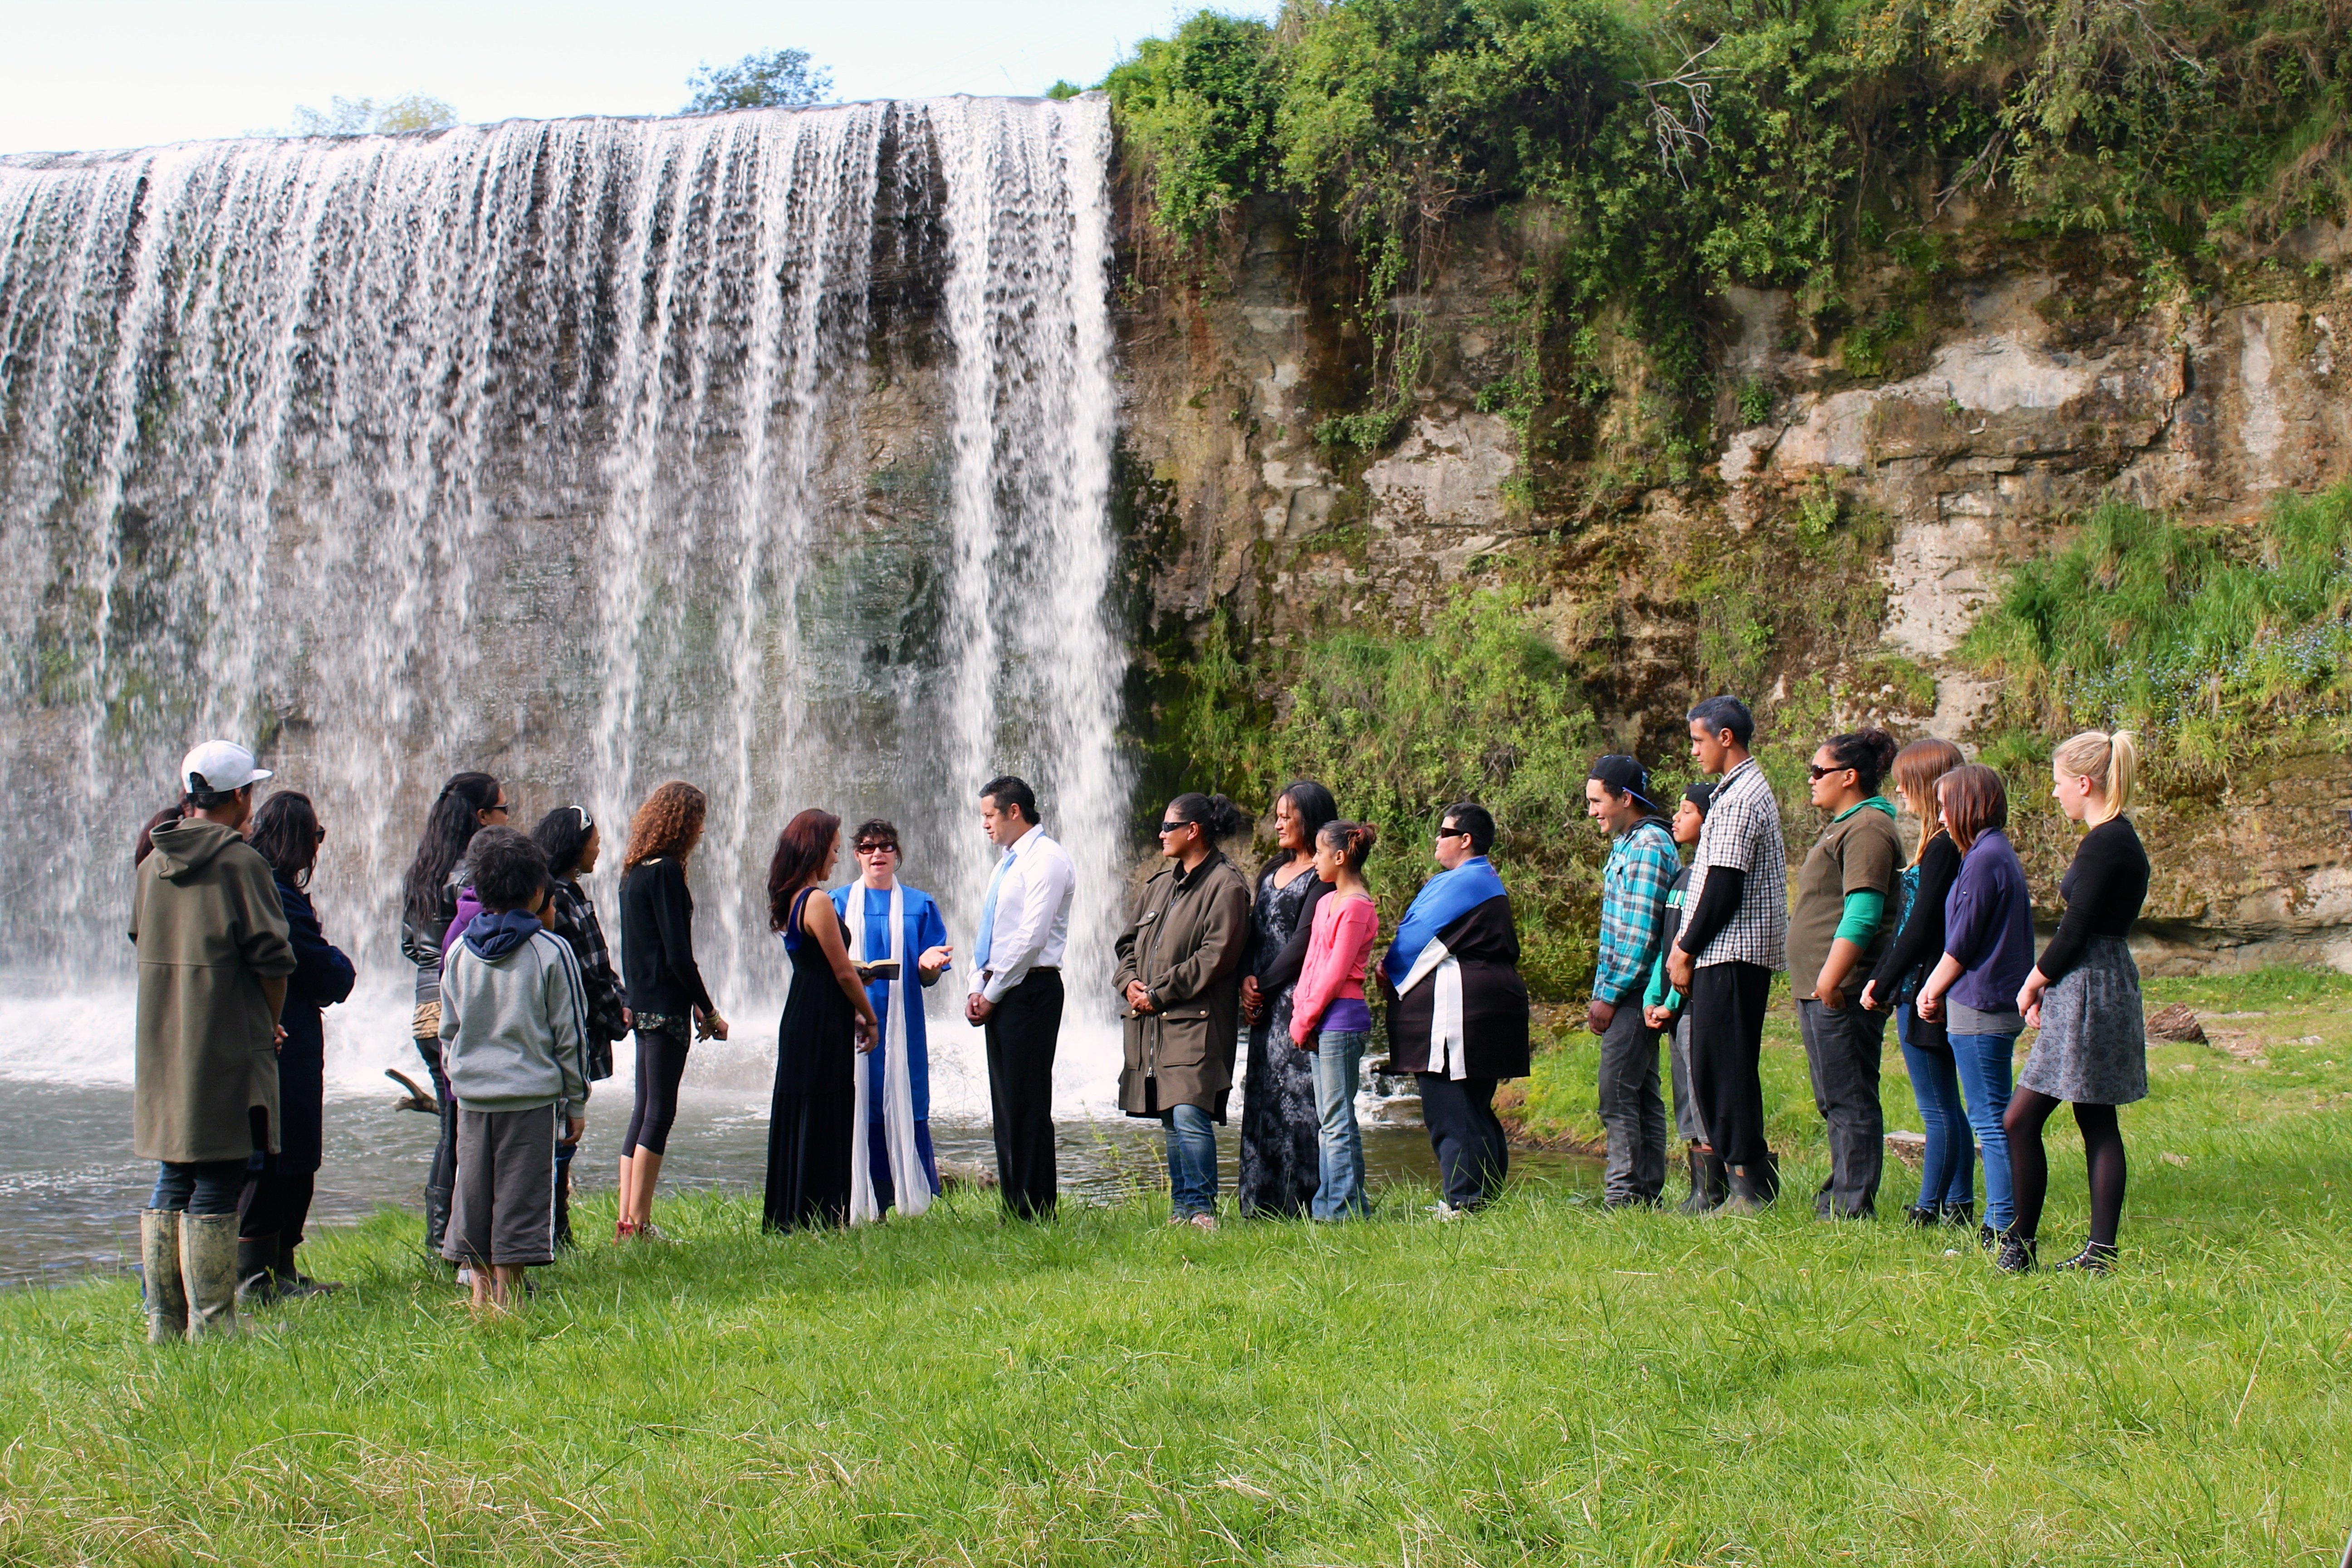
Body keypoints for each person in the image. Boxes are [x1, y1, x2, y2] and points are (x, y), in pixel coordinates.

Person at [132, 741, 296, 1343]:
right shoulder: (240, 864)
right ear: (237, 797)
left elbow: (138, 934)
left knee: (175, 1171)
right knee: (223, 1172)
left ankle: (164, 1323)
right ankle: (214, 1322)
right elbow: (274, 960)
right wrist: (268, 1019)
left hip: (162, 1041)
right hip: (225, 1038)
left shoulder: (153, 861)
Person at [2006, 730, 2151, 1275]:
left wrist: (2034, 981)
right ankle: (2097, 1252)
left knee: (2023, 1119)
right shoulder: (2120, 839)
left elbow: (2075, 930)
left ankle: (2022, 1247)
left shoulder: (2105, 842)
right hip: (2103, 980)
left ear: (2084, 783)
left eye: (2059, 783)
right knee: (2095, 1119)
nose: (2056, 794)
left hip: (2089, 982)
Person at [436, 830, 592, 1311]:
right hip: (529, 1098)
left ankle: (480, 1296)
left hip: (474, 1100)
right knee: (521, 1198)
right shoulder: (551, 952)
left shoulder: (461, 951)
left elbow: (448, 1027)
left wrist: (458, 1078)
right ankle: (509, 1300)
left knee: (475, 1195)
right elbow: (570, 1035)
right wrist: (575, 1101)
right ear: (539, 893)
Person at [1665, 696, 1787, 1214]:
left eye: (1698, 740)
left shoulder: (1740, 799)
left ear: (1726, 738)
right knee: (1716, 1067)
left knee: (1728, 1069)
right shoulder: (1731, 792)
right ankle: (1732, 1183)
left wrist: (1685, 948)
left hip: (1733, 950)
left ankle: (1749, 1187)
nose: (1694, 750)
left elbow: (1724, 885)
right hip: (1724, 950)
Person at [1381, 802, 1531, 1216]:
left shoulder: (1464, 883)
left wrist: (1387, 972)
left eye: (1444, 833)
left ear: (1466, 841)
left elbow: (1414, 939)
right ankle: (1485, 1196)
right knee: (1475, 1105)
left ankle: (1465, 1202)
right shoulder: (1481, 879)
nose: (1437, 839)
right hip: (1490, 1004)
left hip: (1460, 1008)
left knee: (1452, 1105)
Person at [1113, 793, 1253, 1228]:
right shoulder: (1159, 885)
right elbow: (1126, 945)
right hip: (1153, 1023)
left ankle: (1202, 1211)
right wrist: (1129, 983)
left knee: (1191, 1112)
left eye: (1168, 827)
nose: (1161, 834)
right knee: (1171, 1118)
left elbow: (1215, 957)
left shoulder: (1226, 886)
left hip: (1197, 1024)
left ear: (1193, 831)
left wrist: (1157, 993)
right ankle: (1181, 1210)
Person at [239, 790, 357, 1300]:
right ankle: (256, 1276)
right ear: (298, 840)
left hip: (287, 1043)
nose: (318, 848)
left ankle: (278, 1269)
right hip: (284, 1047)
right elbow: (315, 965)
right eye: (317, 837)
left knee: (289, 1158)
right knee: (278, 1160)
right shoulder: (276, 893)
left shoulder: (261, 881)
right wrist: (340, 967)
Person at [1914, 764, 2032, 1254]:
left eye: (1945, 805)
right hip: (1981, 1002)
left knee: (1990, 1118)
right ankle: (1999, 1217)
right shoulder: (1988, 854)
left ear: (1966, 805)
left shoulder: (1985, 858)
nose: (1940, 816)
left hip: (1982, 1004)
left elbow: (1962, 941)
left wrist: (1931, 990)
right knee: (1987, 1113)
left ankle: (2003, 1221)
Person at [1788, 729, 1904, 1220]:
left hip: (1841, 989)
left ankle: (1852, 1206)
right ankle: (1839, 1197)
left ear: (1849, 777)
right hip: (1820, 988)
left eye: (1819, 772)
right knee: (1834, 1097)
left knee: (1850, 1096)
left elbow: (1863, 912)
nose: (1811, 780)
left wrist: (1832, 980)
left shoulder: (1869, 829)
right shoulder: (1846, 825)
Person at [1859, 738, 1970, 1228]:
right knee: (1948, 1102)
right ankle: (1959, 1202)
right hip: (1925, 984)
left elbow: (1921, 924)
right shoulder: (1943, 843)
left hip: (1923, 985)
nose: (1900, 790)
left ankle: (1930, 1206)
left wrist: (1881, 980)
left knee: (1939, 1107)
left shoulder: (1944, 847)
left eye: (1907, 782)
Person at [399, 771, 506, 1257]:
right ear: (483, 818)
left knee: (451, 1125)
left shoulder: (423, 869)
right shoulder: (470, 874)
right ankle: (450, 1238)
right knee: (461, 1129)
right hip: (460, 1009)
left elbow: (410, 944)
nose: (509, 819)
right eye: (504, 810)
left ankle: (443, 1235)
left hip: (425, 1008)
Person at [615, 781, 726, 1242]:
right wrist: (708, 1009)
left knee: (643, 1109)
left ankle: (627, 1219)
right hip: (665, 1007)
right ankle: (637, 1224)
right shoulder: (665, 873)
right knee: (660, 1112)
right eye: (698, 820)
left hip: (642, 1004)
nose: (701, 830)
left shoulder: (634, 872)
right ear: (684, 822)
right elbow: (678, 955)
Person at [764, 811, 882, 1232]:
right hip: (819, 1017)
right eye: (834, 850)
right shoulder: (816, 901)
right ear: (815, 850)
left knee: (801, 1108)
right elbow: (843, 971)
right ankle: (822, 1215)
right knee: (827, 1107)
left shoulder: (794, 898)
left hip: (804, 1011)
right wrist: (869, 1017)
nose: (836, 859)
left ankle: (792, 1212)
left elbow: (821, 968)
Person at [830, 819, 953, 1221]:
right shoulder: (836, 902)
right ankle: (856, 1198)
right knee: (854, 1102)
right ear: (856, 854)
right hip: (851, 1021)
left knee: (906, 1097)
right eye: (867, 847)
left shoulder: (920, 905)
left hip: (903, 1026)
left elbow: (929, 974)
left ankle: (905, 1193)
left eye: (885, 847)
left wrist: (928, 965)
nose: (877, 854)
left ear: (897, 854)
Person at [965, 775, 1076, 1220]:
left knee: (1029, 1102)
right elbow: (991, 929)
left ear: (1014, 812)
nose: (985, 825)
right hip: (1003, 987)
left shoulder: (1047, 859)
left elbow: (1032, 937)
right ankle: (1015, 1205)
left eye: (989, 816)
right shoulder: (1007, 863)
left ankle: (1036, 1209)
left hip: (1031, 988)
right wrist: (977, 985)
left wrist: (991, 992)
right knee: (1008, 1101)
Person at [1237, 780, 1339, 1218]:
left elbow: (1304, 941)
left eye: (1287, 816)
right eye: (1276, 815)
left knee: (1302, 1100)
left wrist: (1263, 984)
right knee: (1263, 1094)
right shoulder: (1268, 872)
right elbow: (1253, 933)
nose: (1278, 823)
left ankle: (1302, 1200)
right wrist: (1245, 978)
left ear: (1310, 820)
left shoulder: (1322, 877)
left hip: (1298, 1002)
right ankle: (1261, 1201)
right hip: (1261, 1005)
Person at [1584, 755, 1680, 1209]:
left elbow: (1641, 934)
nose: (1592, 812)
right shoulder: (1627, 843)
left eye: (1597, 801)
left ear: (1625, 799)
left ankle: (1624, 1194)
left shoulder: (1647, 846)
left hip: (1634, 993)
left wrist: (1607, 996)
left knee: (1618, 1091)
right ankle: (1645, 1192)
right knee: (1640, 1090)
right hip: (1627, 992)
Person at [530, 806, 628, 1250]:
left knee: (559, 1126)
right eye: (595, 839)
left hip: (569, 1026)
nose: (600, 846)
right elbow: (587, 969)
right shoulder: (561, 897)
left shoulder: (561, 893)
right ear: (575, 844)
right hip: (568, 1030)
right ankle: (554, 1227)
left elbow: (596, 966)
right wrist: (616, 1011)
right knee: (562, 1127)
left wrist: (619, 1000)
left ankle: (555, 1224)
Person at [1289, 819, 1381, 1220]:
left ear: (1340, 857)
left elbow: (1336, 972)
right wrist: (1301, 1013)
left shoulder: (1357, 906)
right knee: (1332, 1119)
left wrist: (1306, 1019)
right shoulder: (1327, 902)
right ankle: (1346, 1204)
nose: (1313, 863)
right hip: (1319, 1019)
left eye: (1320, 854)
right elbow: (1312, 965)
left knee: (1336, 1119)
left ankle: (1338, 1211)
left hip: (1341, 1020)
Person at [1643, 782, 1717, 1211]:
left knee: (1702, 1088)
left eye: (1687, 811)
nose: (1676, 818)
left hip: (1695, 1001)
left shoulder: (1709, 878)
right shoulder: (1681, 877)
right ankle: (1698, 1190)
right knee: (1684, 1094)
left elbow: (1693, 950)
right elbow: (1666, 948)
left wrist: (1673, 1002)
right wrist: (1655, 999)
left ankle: (1714, 1191)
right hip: (1671, 1003)